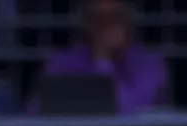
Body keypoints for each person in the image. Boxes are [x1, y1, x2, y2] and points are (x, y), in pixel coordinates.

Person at [32, 0, 168, 115]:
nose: (106, 27)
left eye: (114, 18)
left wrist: (103, 60)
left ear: (128, 23)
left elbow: (128, 109)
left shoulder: (149, 64)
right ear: (86, 24)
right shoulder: (61, 61)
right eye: (98, 19)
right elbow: (36, 110)